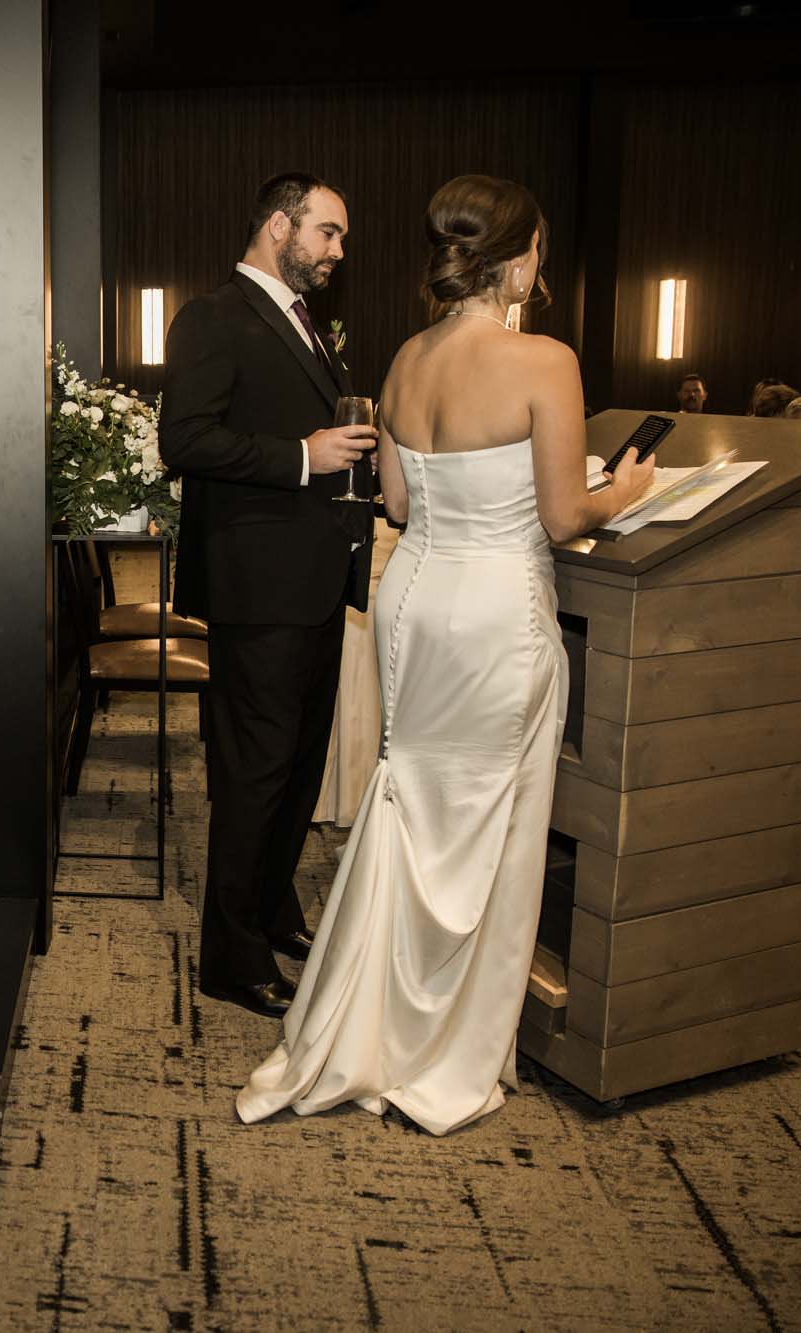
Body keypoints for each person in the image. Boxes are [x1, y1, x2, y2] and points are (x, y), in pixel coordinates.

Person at [236, 175, 653, 1135]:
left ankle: (366, 1017)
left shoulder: (406, 357)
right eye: (538, 251)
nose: (539, 269)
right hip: (493, 607)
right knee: (488, 823)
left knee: (414, 801)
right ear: (514, 258)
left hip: (412, 600)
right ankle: (443, 1045)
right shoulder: (545, 360)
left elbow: (398, 506)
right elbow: (561, 516)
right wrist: (621, 490)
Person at [159, 172, 380, 1020]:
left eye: (341, 238)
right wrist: (303, 456)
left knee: (297, 764)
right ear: (279, 224)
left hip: (317, 579)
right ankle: (229, 953)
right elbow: (186, 439)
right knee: (253, 771)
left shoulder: (304, 324)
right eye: (328, 232)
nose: (337, 251)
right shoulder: (213, 315)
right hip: (260, 589)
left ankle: (271, 906)